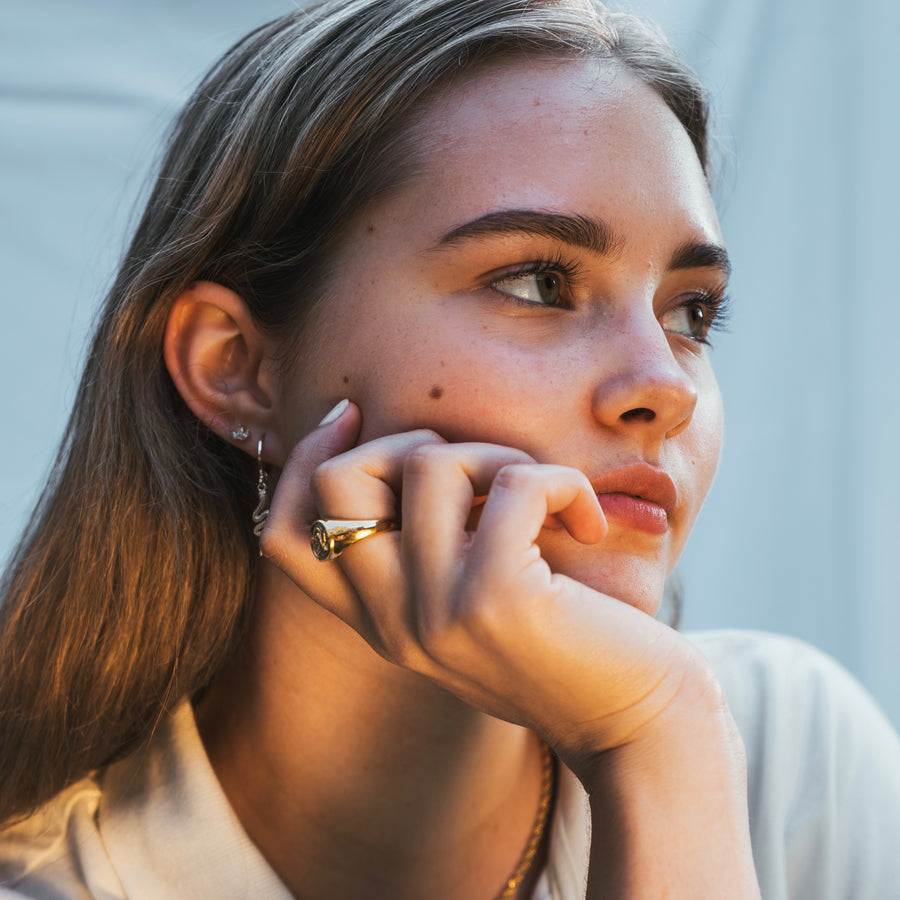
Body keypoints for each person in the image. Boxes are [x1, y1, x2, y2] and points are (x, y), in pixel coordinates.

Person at [1, 0, 899, 897]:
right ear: (235, 367)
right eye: (539, 282)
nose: (664, 385)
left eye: (690, 312)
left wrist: (659, 749)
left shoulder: (794, 763)